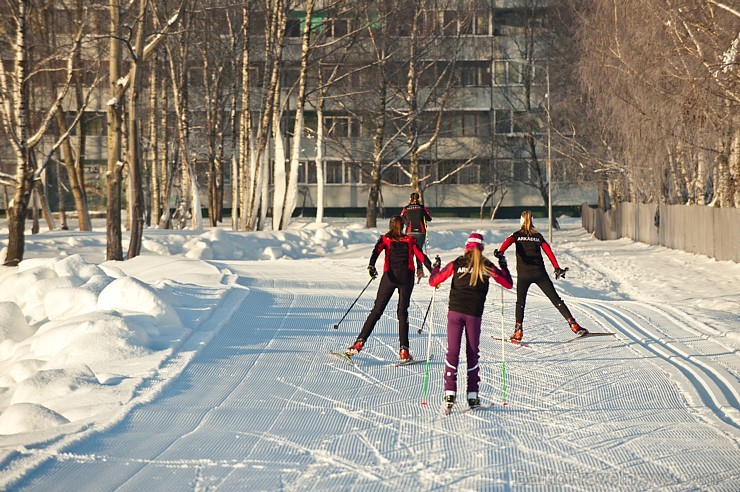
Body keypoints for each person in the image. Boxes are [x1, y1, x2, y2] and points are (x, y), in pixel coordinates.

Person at [429, 232, 513, 410]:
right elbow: (508, 283)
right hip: (474, 315)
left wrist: (436, 267)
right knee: (472, 353)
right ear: (482, 248)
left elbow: (434, 281)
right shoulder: (486, 265)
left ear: (466, 247)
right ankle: (472, 395)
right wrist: (503, 265)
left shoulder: (457, 263)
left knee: (452, 352)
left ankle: (449, 393)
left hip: (455, 313)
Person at [346, 215, 434, 361]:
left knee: (377, 310)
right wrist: (434, 273)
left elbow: (375, 252)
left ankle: (358, 343)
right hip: (406, 278)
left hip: (389, 277)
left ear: (390, 226)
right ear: (404, 227)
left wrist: (371, 266)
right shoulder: (410, 240)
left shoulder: (385, 239)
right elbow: (422, 256)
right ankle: (404, 351)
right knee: (402, 312)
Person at [495, 210, 588, 343]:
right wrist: (557, 268)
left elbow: (506, 243)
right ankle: (573, 324)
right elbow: (549, 252)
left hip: (524, 275)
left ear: (521, 221)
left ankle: (518, 331)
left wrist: (500, 252)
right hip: (540, 274)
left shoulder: (516, 235)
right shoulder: (538, 236)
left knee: (520, 302)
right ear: (532, 220)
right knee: (556, 299)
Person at [400, 192, 433, 279]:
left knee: (409, 251)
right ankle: (419, 270)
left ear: (410, 199)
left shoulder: (406, 208)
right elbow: (429, 218)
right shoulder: (422, 208)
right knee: (418, 251)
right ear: (418, 198)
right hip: (420, 232)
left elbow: (401, 219)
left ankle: (406, 270)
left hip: (409, 232)